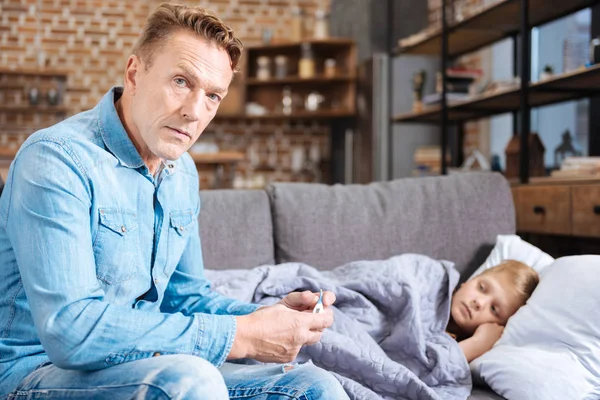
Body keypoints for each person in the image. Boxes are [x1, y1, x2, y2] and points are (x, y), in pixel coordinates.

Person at [0, 3, 349, 399]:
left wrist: (265, 320)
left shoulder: (181, 173)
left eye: (213, 96)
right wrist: (242, 337)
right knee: (190, 380)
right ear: (135, 73)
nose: (193, 112)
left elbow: (186, 299)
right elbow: (71, 331)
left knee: (310, 386)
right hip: (35, 374)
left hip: (147, 366)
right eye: (181, 81)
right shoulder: (56, 159)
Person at [446, 260, 540, 362]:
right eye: (481, 288)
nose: (479, 303)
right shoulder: (436, 279)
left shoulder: (470, 361)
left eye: (493, 309)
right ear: (469, 281)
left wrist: (476, 345)